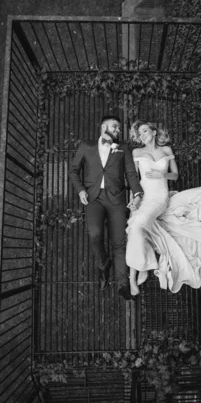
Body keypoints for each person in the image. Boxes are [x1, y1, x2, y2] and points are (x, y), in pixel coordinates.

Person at [126, 120, 201, 296]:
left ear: (154, 131)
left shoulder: (166, 150)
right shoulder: (137, 152)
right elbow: (134, 180)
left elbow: (175, 175)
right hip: (142, 197)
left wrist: (161, 174)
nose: (142, 136)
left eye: (144, 131)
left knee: (137, 225)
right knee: (135, 224)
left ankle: (139, 268)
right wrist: (134, 200)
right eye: (139, 134)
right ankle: (138, 270)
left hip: (159, 198)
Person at [69, 115, 143, 301]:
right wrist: (80, 190)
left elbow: (131, 174)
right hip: (94, 199)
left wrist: (137, 194)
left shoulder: (123, 148)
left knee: (119, 242)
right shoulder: (87, 146)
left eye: (118, 128)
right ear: (104, 127)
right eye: (115, 127)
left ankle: (122, 284)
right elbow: (73, 170)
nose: (118, 130)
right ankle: (104, 265)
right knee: (95, 235)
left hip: (116, 200)